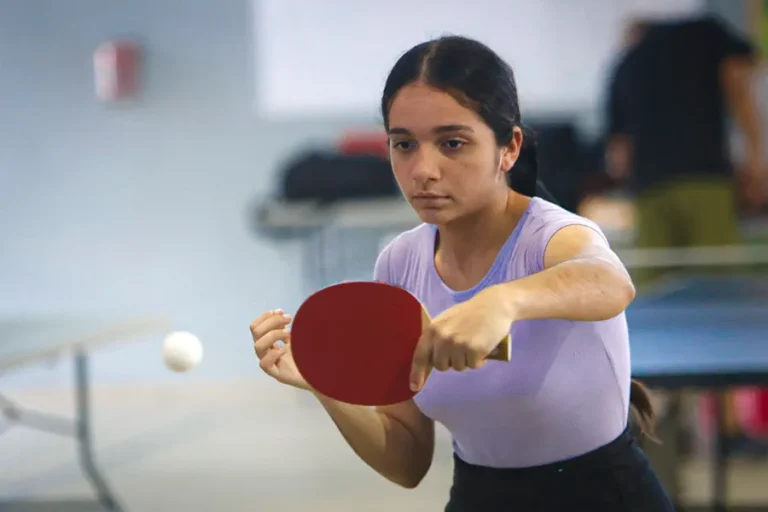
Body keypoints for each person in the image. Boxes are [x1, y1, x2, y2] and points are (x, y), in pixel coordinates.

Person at [250, 35, 674, 511]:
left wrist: (501, 301)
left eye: (452, 143)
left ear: (509, 148)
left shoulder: (553, 236)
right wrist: (324, 383)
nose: (423, 169)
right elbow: (406, 459)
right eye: (404, 144)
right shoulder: (399, 264)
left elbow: (610, 281)